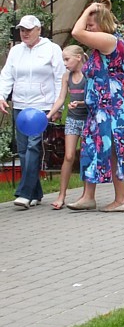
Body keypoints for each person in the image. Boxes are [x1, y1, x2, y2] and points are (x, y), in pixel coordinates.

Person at [68, 2, 124, 212]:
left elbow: (75, 32)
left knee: (113, 148)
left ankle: (121, 199)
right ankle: (88, 196)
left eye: (91, 25)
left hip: (113, 108)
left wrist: (88, 8)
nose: (87, 29)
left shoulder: (110, 41)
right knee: (90, 145)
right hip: (99, 108)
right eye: (87, 25)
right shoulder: (100, 46)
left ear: (103, 24)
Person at [0, 15, 65, 209]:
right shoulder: (16, 51)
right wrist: (2, 96)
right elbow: (7, 75)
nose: (25, 33)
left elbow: (59, 79)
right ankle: (36, 192)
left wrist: (57, 107)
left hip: (41, 106)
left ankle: (24, 193)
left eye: (28, 29)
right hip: (20, 105)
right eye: (22, 30)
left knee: (33, 147)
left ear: (39, 30)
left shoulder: (52, 49)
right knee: (22, 149)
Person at [46, 46, 88, 210]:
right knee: (69, 156)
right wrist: (48, 115)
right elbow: (61, 98)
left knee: (85, 156)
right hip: (72, 119)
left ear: (78, 57)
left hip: (87, 119)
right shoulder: (66, 76)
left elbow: (94, 98)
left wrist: (80, 103)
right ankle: (61, 195)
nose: (64, 63)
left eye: (67, 59)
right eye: (63, 60)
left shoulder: (89, 75)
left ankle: (86, 195)